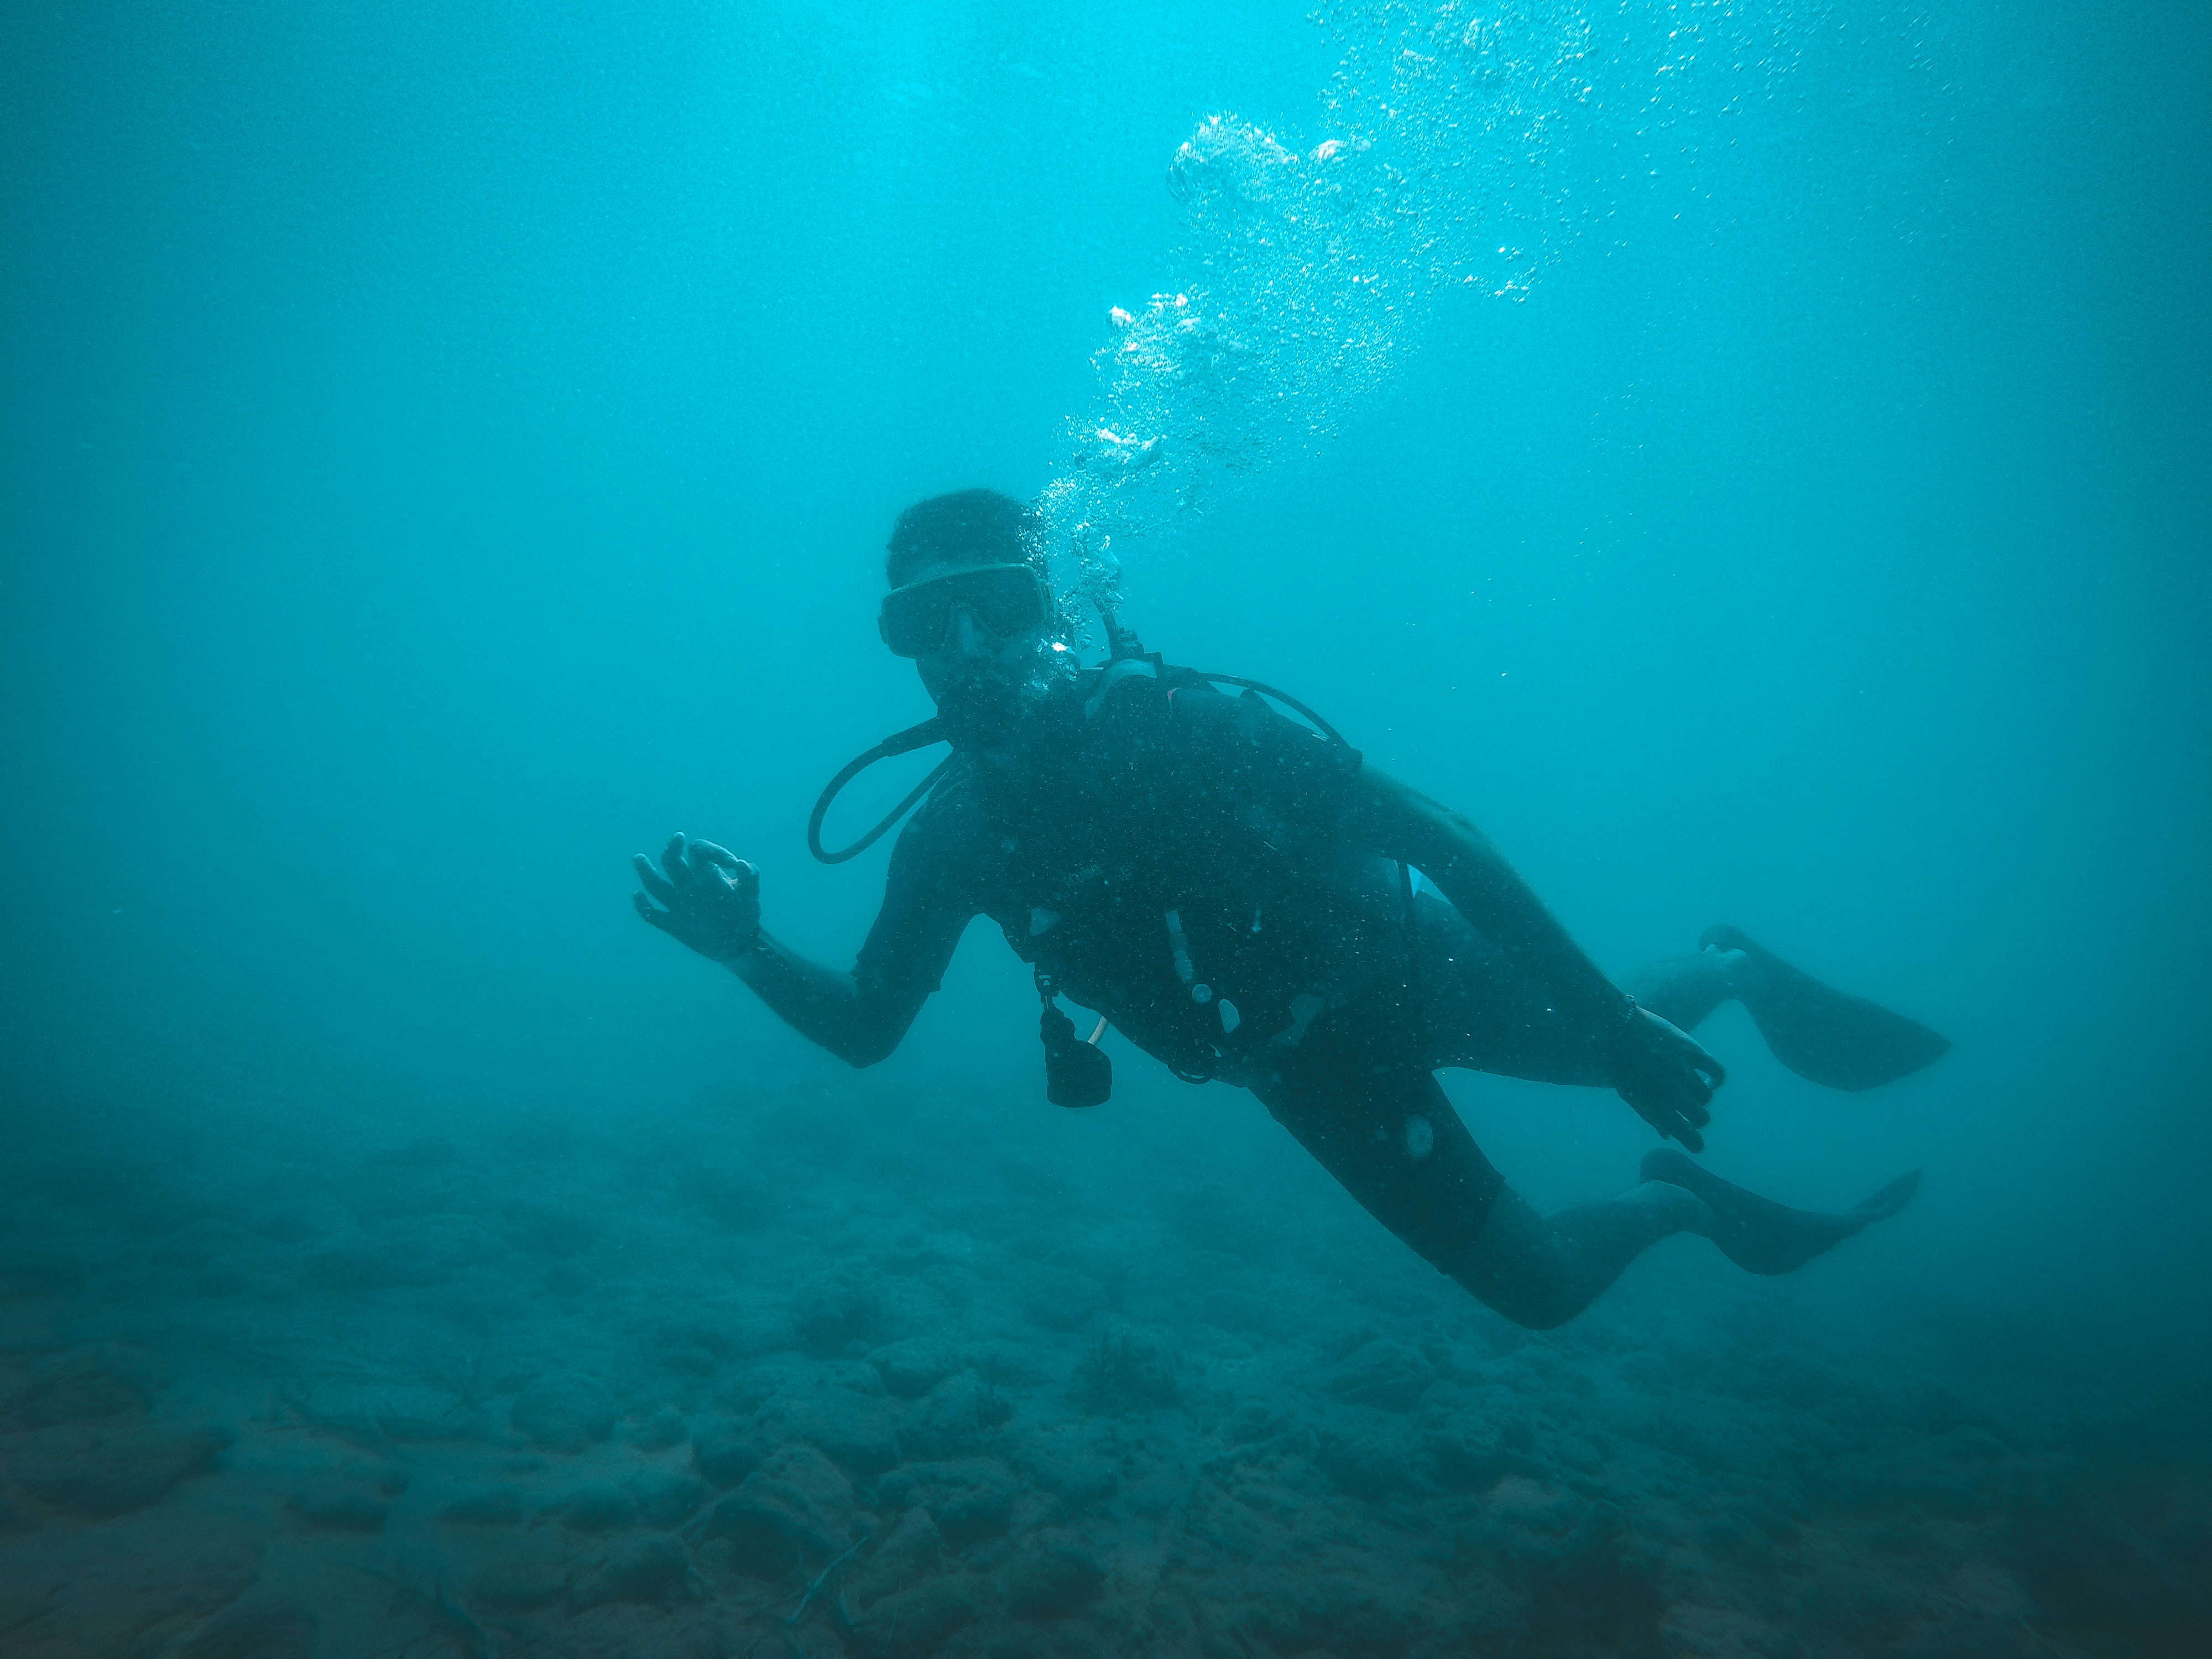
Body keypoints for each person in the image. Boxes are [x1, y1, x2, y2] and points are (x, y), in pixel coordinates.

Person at [633, 490, 1944, 1329]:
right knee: (1538, 1290)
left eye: (998, 608)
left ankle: (1726, 964)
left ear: (1050, 618)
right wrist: (744, 950)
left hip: (1414, 964)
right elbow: (870, 1027)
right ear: (901, 642)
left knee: (1630, 1040)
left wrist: (1604, 1022)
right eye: (928, 621)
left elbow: (1439, 833)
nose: (966, 650)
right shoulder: (951, 839)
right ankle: (1693, 1205)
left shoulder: (1182, 726)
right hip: (1300, 1069)